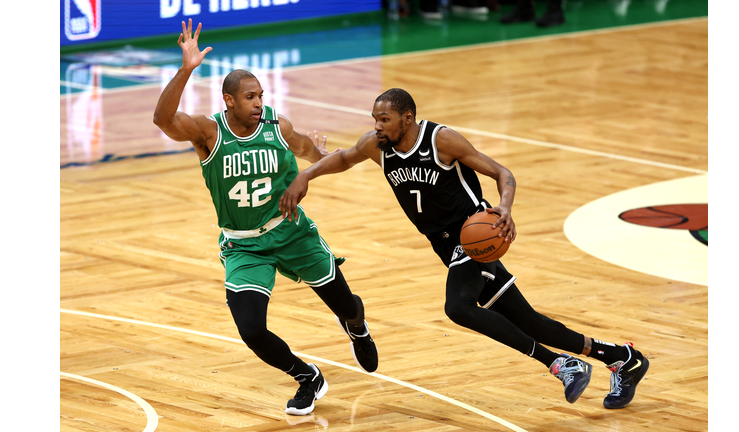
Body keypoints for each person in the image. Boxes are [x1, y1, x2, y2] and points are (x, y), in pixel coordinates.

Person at [279, 88, 650, 409]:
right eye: (375, 118)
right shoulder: (378, 146)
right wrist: (304, 175)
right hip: (447, 248)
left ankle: (559, 365)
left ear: (407, 118)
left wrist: (504, 207)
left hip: (473, 239)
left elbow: (503, 174)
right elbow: (343, 159)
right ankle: (622, 359)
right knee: (531, 323)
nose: (377, 125)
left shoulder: (441, 141)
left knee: (457, 307)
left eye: (385, 119)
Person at [152, 19, 379, 416]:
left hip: (292, 233)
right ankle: (307, 376)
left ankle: (356, 326)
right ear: (229, 101)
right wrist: (186, 70)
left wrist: (319, 162)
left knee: (347, 306)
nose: (259, 102)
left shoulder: (276, 125)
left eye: (261, 95)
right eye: (250, 96)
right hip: (244, 245)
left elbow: (312, 153)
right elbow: (163, 120)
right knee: (252, 330)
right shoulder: (208, 133)